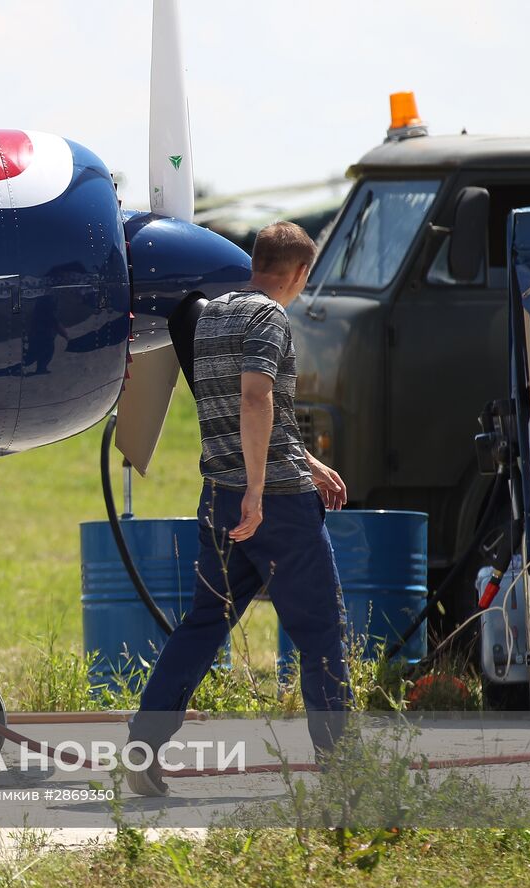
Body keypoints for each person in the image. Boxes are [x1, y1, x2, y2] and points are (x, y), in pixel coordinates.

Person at [125, 221, 352, 796]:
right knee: (321, 632)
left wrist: (304, 460)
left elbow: (229, 404)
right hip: (274, 504)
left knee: (204, 625)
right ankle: (343, 770)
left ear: (256, 262)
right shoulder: (270, 317)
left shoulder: (215, 313)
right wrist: (260, 488)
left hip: (219, 498)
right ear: (299, 274)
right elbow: (255, 395)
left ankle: (142, 745)